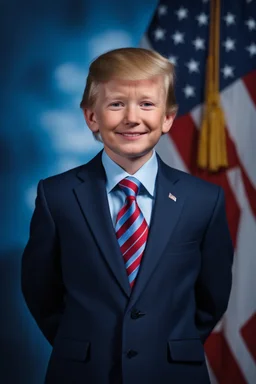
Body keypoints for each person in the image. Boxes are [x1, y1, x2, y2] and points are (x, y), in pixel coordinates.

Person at [21, 47, 234, 384]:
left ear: (167, 118)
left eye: (147, 104)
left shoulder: (203, 200)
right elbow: (40, 289)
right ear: (92, 116)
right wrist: (81, 344)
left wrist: (165, 343)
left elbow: (213, 294)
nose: (132, 118)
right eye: (116, 104)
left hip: (173, 372)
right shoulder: (56, 195)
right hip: (83, 372)